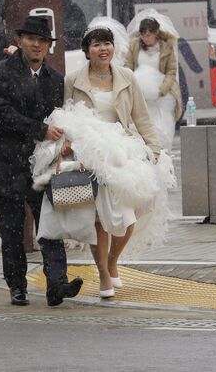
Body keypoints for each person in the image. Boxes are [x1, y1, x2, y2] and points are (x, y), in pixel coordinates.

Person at [0, 16, 83, 307]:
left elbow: (60, 117)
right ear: (19, 41)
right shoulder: (0, 73)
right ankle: (17, 286)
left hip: (43, 165)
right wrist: (39, 129)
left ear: (49, 46)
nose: (36, 44)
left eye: (42, 40)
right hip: (7, 162)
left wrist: (65, 142)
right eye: (30, 39)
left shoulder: (55, 79)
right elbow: (1, 113)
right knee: (11, 230)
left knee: (50, 225)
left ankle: (57, 284)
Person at [63, 27, 162, 298]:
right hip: (90, 153)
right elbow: (65, 116)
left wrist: (153, 148)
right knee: (99, 219)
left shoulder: (127, 77)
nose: (102, 48)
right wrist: (67, 144)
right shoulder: (73, 79)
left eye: (107, 43)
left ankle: (112, 260)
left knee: (129, 215)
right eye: (96, 44)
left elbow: (141, 116)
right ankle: (104, 275)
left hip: (122, 151)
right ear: (87, 50)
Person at [124, 16, 182, 151]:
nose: (145, 38)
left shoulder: (167, 47)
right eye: (143, 35)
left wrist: (163, 89)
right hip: (140, 95)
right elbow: (128, 66)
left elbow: (171, 71)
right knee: (143, 126)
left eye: (148, 35)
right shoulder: (134, 46)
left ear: (156, 33)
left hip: (162, 95)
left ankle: (162, 150)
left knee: (163, 126)